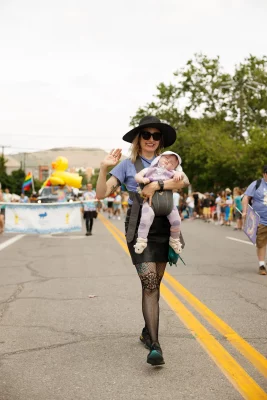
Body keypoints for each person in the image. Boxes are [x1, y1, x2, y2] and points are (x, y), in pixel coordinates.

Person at [96, 115, 189, 366]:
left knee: (155, 284)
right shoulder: (127, 165)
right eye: (145, 135)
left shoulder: (169, 161)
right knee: (149, 283)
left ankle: (147, 330)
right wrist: (104, 168)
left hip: (165, 226)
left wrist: (156, 186)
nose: (150, 139)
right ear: (138, 139)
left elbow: (184, 182)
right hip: (139, 228)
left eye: (155, 135)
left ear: (160, 141)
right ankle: (155, 345)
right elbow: (101, 194)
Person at [134, 151, 184, 254]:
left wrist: (179, 173)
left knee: (177, 221)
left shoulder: (173, 173)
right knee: (145, 219)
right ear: (158, 158)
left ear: (175, 167)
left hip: (169, 204)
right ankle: (141, 241)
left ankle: (174, 241)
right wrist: (143, 179)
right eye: (166, 158)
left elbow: (181, 179)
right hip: (151, 204)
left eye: (172, 162)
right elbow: (137, 176)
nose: (167, 161)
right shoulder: (149, 170)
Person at [242, 165, 267, 275]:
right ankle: (262, 265)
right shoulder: (256, 184)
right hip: (261, 220)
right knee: (261, 243)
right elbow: (246, 197)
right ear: (264, 174)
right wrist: (244, 211)